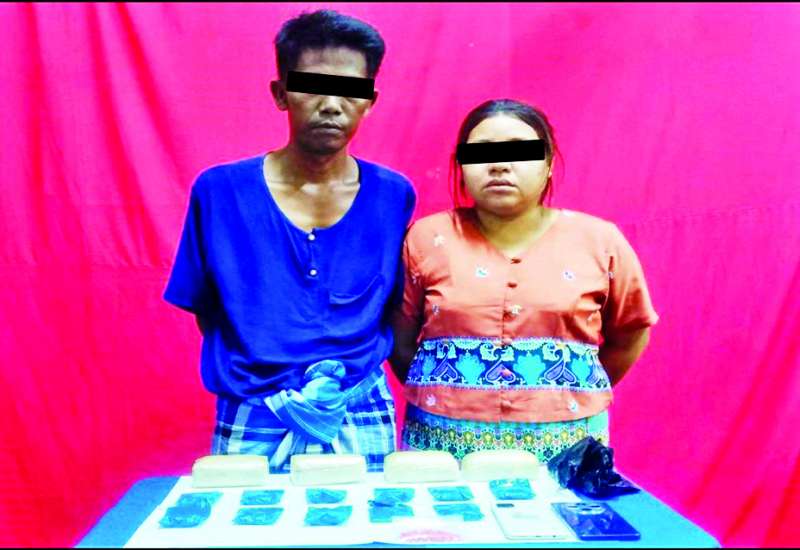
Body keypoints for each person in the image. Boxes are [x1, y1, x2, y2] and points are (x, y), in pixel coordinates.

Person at [164, 10, 416, 472]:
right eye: (312, 86)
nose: (331, 104)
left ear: (370, 102)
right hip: (254, 405)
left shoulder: (392, 195)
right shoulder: (221, 193)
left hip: (359, 407)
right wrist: (266, 357)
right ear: (280, 94)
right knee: (247, 518)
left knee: (369, 519)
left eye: (350, 90)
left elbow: (396, 307)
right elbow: (208, 307)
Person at [389, 99, 658, 462]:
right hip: (442, 446)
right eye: (482, 153)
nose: (500, 165)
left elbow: (631, 333)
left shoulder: (599, 240)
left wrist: (565, 393)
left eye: (519, 151)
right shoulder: (427, 238)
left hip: (568, 445)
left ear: (548, 165)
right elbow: (400, 340)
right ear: (461, 165)